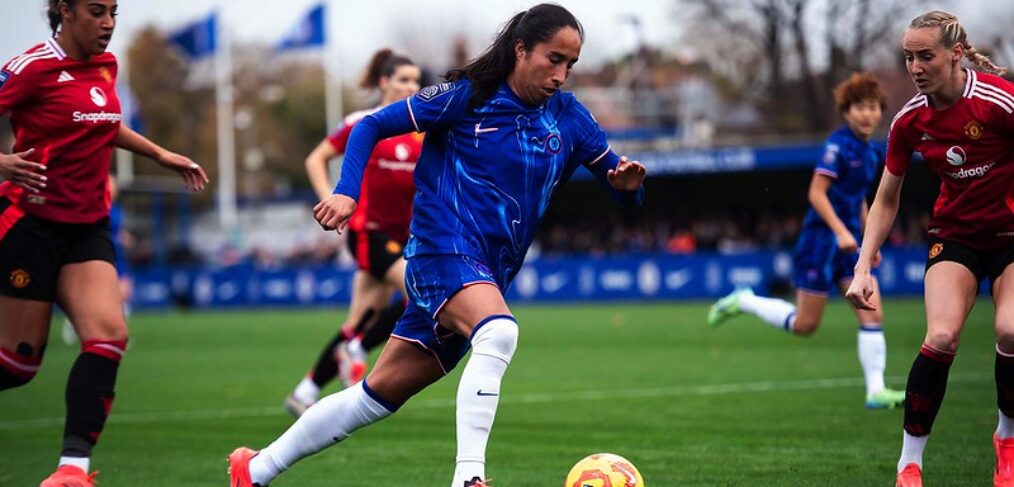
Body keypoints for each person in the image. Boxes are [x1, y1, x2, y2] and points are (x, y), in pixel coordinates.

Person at [228, 4, 646, 486]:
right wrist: (346, 190)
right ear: (521, 49)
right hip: (439, 253)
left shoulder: (569, 118)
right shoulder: (465, 97)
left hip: (485, 271)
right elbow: (369, 126)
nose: (560, 74)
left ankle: (254, 470)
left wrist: (629, 189)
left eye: (570, 65)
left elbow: (621, 185)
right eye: (553, 59)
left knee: (374, 397)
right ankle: (468, 478)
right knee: (499, 332)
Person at [0, 1, 208, 486]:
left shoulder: (105, 66)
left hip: (87, 227)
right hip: (30, 224)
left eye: (114, 12)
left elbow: (102, 121)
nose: (109, 23)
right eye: (97, 12)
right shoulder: (32, 67)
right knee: (17, 364)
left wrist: (159, 153)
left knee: (109, 336)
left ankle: (72, 471)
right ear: (65, 12)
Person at [842, 10, 1014, 487]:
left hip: (1011, 239)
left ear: (955, 54)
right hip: (954, 237)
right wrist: (862, 266)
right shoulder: (909, 120)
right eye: (908, 57)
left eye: (925, 56)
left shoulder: (1000, 103)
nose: (915, 67)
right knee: (940, 339)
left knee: (1011, 332)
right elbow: (886, 198)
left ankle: (1006, 441)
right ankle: (909, 465)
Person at [707, 72, 906, 409]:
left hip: (849, 248)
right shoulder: (836, 146)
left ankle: (875, 390)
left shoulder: (872, 152)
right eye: (860, 107)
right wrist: (842, 233)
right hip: (820, 243)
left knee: (872, 314)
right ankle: (745, 301)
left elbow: (859, 200)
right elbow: (816, 193)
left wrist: (868, 244)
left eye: (873, 107)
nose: (868, 114)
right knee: (805, 325)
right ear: (846, 110)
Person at [286, 49, 423, 417]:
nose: (412, 86)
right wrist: (331, 200)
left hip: (402, 239)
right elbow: (316, 158)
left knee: (356, 321)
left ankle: (306, 390)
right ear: (384, 82)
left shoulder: (420, 131)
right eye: (404, 79)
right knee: (423, 291)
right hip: (368, 233)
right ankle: (359, 347)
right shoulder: (364, 123)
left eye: (416, 80)